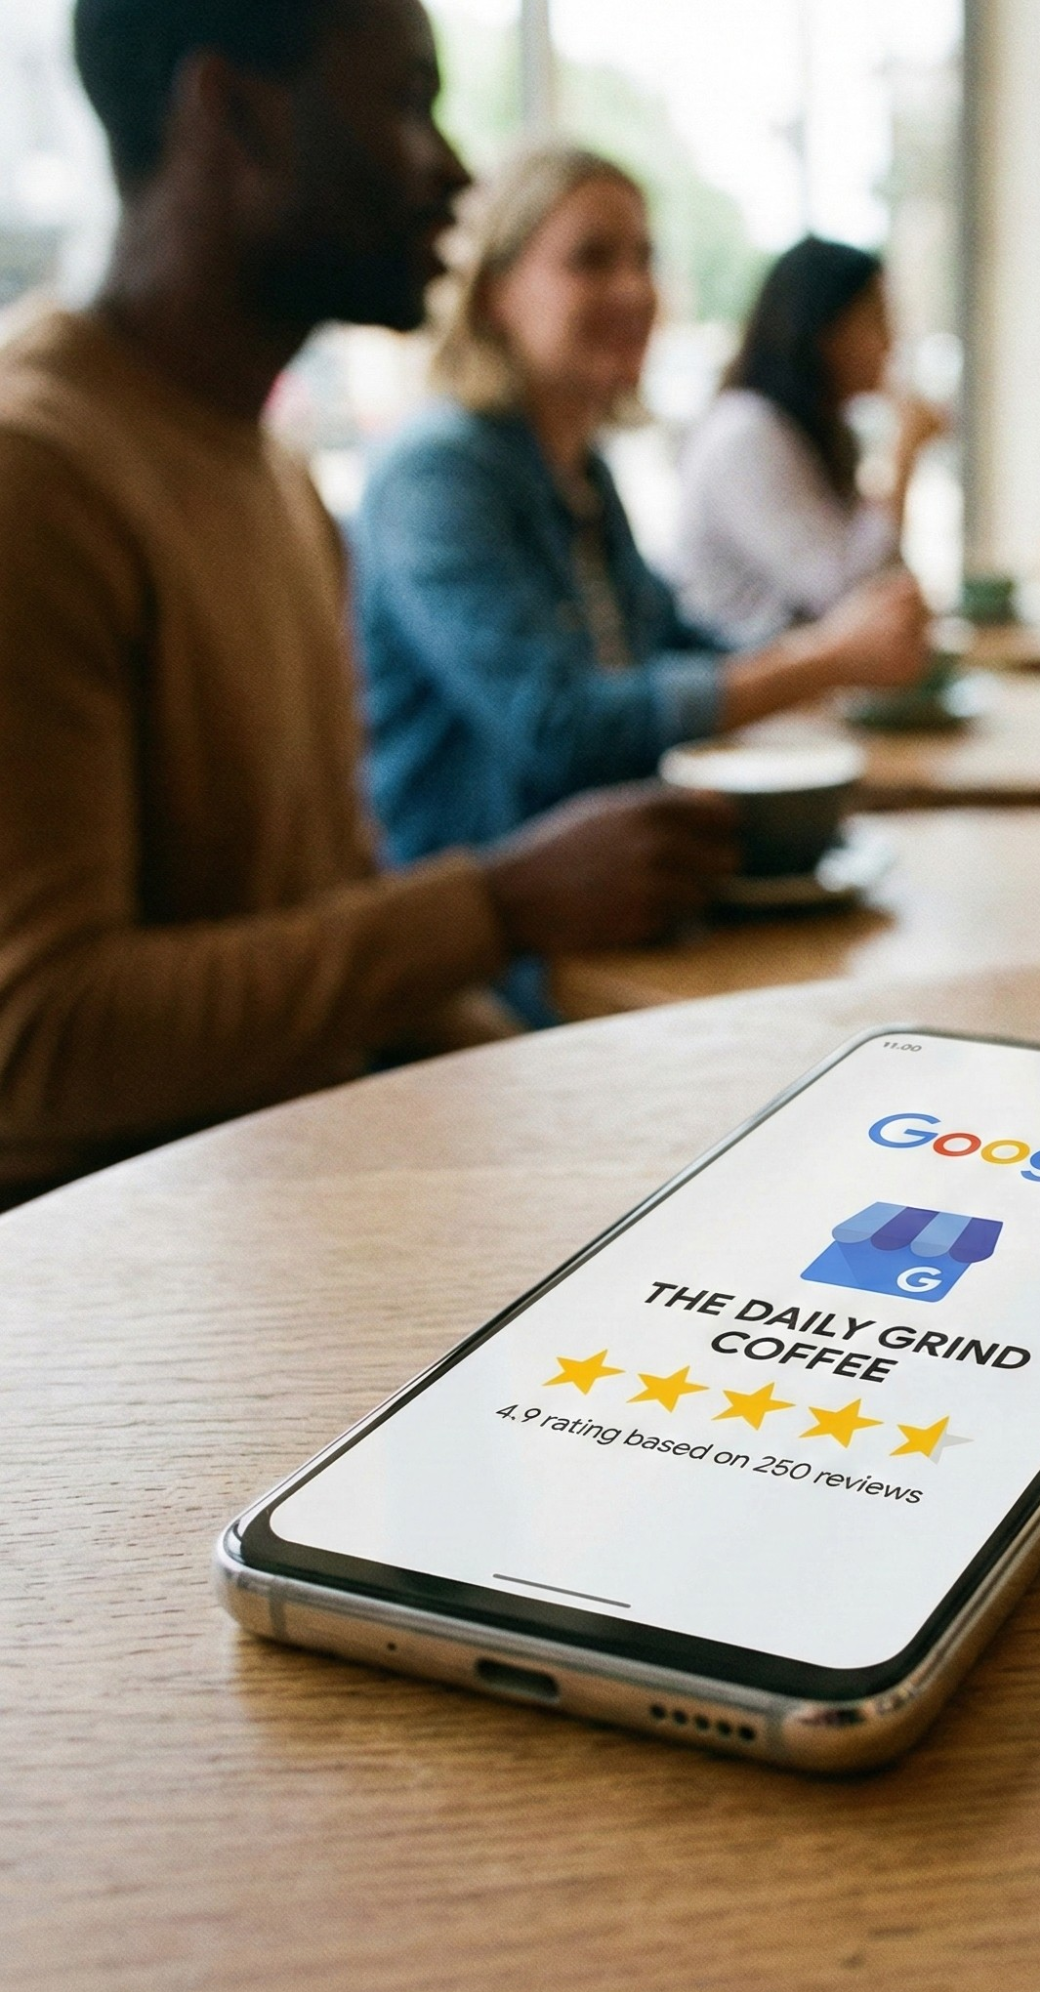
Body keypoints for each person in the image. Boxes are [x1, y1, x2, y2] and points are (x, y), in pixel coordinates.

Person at [0, 0, 736, 1209]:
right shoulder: (38, 477)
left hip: (289, 1185)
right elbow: (40, 1039)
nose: (451, 169)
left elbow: (330, 939)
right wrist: (496, 906)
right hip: (130, 1272)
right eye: (405, 103)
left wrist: (627, 1147)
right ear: (232, 111)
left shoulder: (275, 473)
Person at [357, 146, 930, 866]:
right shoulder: (438, 475)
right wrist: (824, 661)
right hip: (493, 931)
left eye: (644, 259)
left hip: (617, 883)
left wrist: (830, 661)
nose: (633, 289)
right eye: (591, 260)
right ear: (495, 292)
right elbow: (561, 728)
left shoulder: (579, 467)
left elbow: (667, 641)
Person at [669, 235, 948, 648]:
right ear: (822, 328)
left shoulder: (813, 432)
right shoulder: (746, 433)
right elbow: (846, 597)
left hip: (797, 684)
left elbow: (885, 584)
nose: (890, 343)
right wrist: (903, 456)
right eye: (876, 320)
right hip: (749, 687)